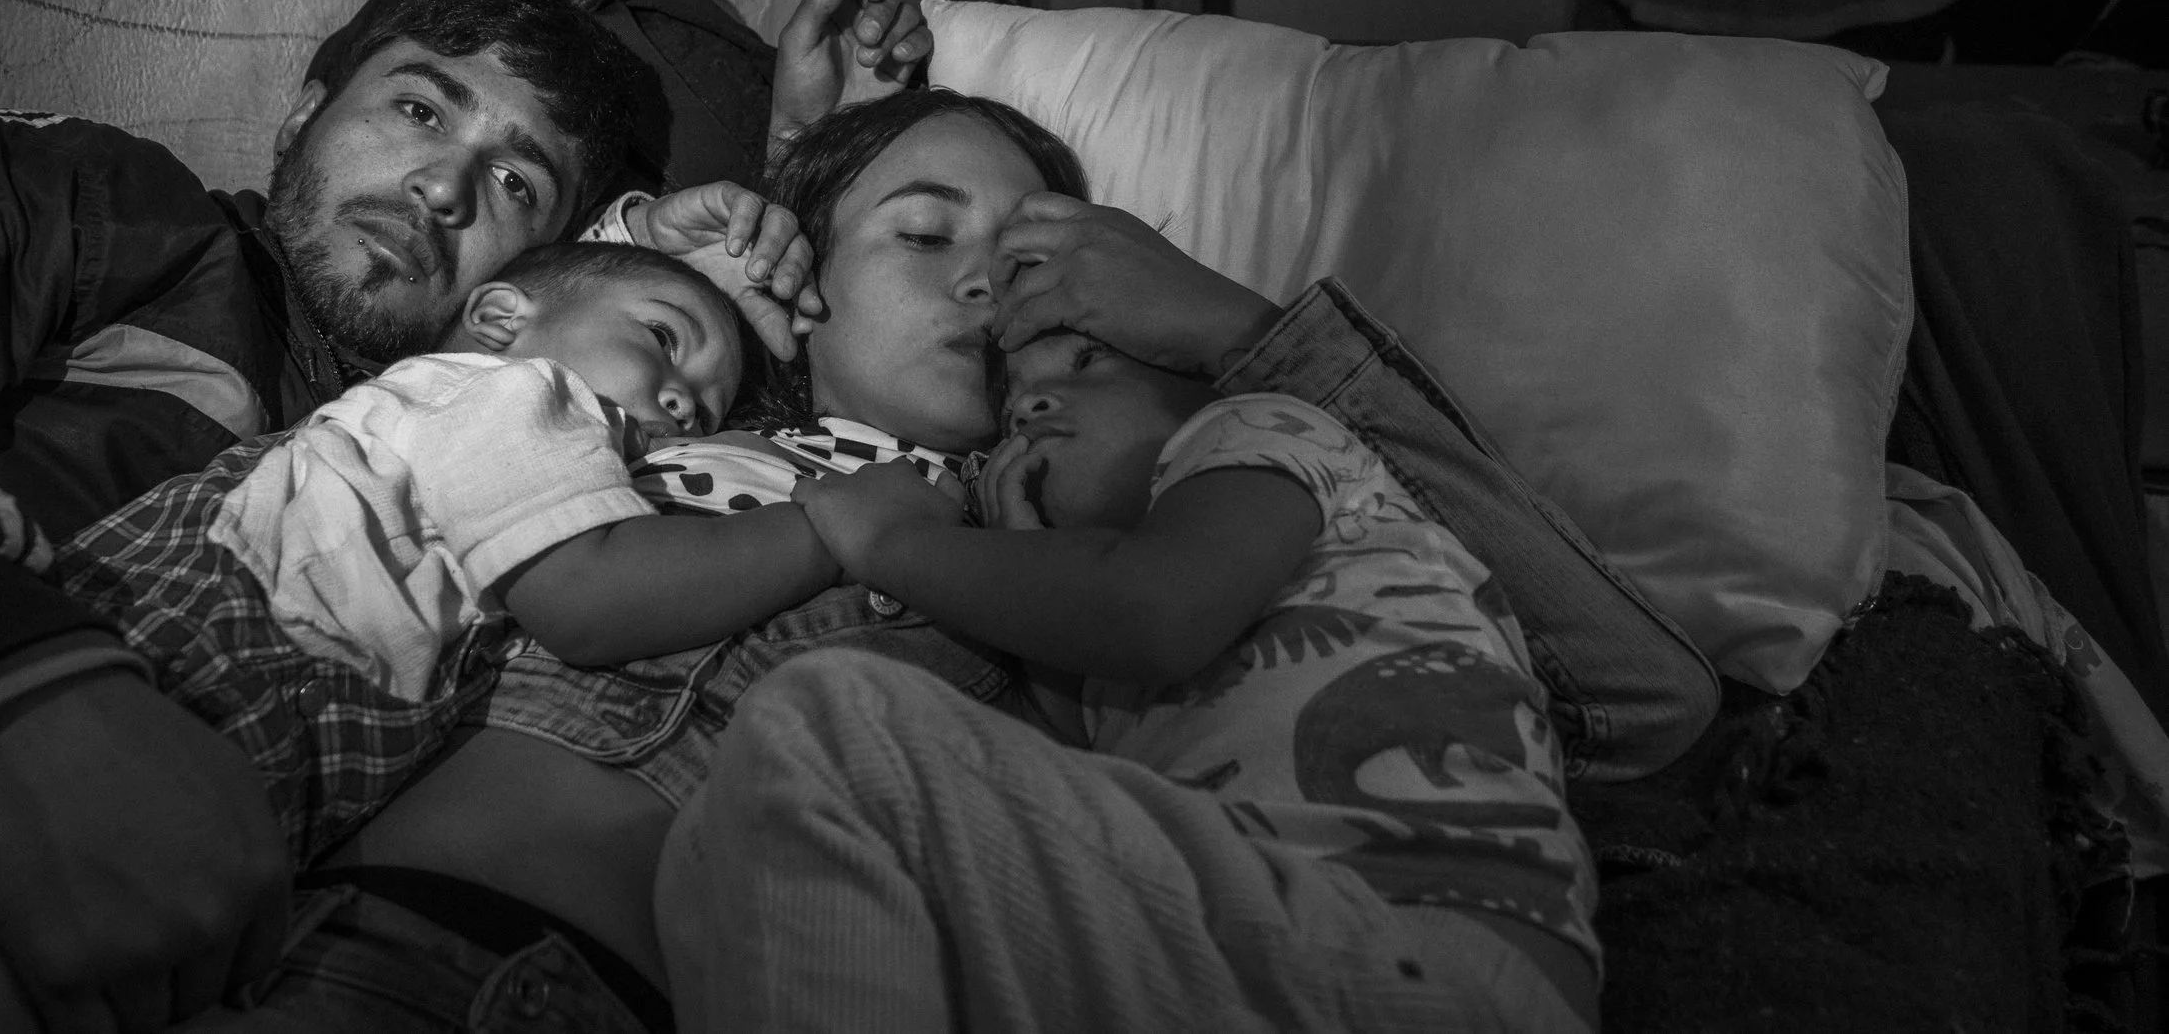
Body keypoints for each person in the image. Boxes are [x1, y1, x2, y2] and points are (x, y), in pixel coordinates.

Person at [205, 89, 1711, 1032]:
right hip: (361, 937)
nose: (994, 276)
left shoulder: (1102, 521)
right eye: (925, 234)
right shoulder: (621, 410)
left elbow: (1631, 694)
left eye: (1053, 249)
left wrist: (1237, 328)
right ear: (794, 290)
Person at [0, 0, 925, 1033]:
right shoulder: (93, 206)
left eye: (515, 182)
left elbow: (759, 442)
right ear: (300, 114)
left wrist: (817, 165)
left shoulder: (535, 437)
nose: (443, 186)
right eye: (422, 110)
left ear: (539, 260)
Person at [0, 240, 873, 1032]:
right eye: (666, 340)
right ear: (501, 316)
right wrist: (827, 527)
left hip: (185, 808)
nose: (677, 402)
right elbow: (593, 595)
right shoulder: (509, 396)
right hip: (160, 698)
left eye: (704, 406)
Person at [670, 321, 1601, 1033]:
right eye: (1015, 402)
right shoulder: (1102, 630)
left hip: (1420, 944)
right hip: (1234, 933)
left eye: (1080, 364)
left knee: (833, 726)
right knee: (708, 841)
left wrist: (898, 541)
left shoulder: (1260, 430)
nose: (1032, 403)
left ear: (1199, 379)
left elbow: (1158, 613)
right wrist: (1034, 567)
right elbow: (1076, 773)